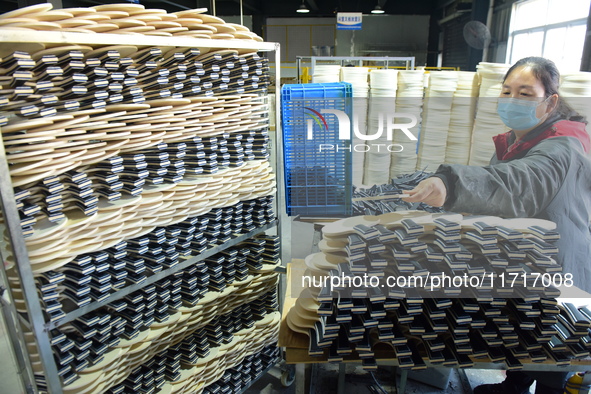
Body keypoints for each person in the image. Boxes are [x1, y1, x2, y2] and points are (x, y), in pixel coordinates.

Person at [404, 56, 591, 394]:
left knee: (553, 342)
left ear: (551, 102)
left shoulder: (561, 147)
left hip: (558, 261)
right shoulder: (517, 140)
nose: (512, 100)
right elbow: (499, 202)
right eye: (506, 91)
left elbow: (516, 184)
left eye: (525, 92)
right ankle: (515, 384)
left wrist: (452, 185)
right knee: (522, 328)